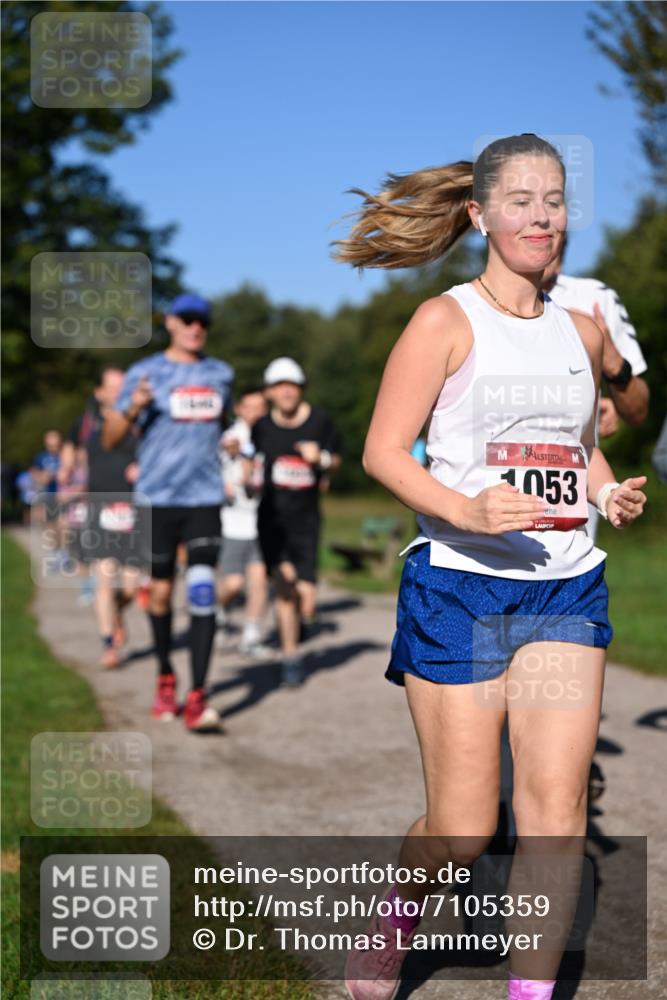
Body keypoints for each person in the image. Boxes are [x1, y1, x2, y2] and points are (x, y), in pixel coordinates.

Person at [333, 134, 647, 1000]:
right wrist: (464, 508)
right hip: (459, 588)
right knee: (464, 830)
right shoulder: (443, 320)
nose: (540, 216)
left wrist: (607, 491)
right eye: (519, 200)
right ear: (479, 215)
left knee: (553, 818)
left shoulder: (580, 332)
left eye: (553, 200)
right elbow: (383, 453)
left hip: (563, 586)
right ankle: (400, 909)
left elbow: (575, 450)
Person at [102, 293, 234, 732]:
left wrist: (233, 442)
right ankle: (164, 673)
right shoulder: (145, 372)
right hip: (157, 499)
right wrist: (135, 406)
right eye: (188, 319)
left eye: (204, 321)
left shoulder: (220, 374)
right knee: (159, 596)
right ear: (170, 322)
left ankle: (198, 694)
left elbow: (226, 425)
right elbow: (111, 438)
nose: (197, 327)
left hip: (204, 499)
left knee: (201, 592)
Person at [542, 242, 649, 538]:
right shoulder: (469, 305)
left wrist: (611, 363)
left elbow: (638, 411)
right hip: (486, 527)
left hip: (574, 516)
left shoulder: (595, 299)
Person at [251, 357, 342, 687]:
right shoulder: (261, 427)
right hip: (272, 521)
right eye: (280, 386)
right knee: (285, 588)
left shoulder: (319, 421)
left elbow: (337, 461)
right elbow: (249, 461)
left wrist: (323, 459)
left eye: (293, 385)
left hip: (307, 520)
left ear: (301, 389)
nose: (287, 392)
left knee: (307, 597)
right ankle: (291, 657)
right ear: (270, 392)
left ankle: (298, 627)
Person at [60, 368, 141, 668]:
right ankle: (108, 644)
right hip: (98, 505)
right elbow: (71, 447)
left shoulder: (138, 423)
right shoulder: (85, 424)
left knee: (131, 587)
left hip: (134, 508)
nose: (120, 392)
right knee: (104, 577)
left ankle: (117, 613)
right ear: (100, 392)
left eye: (124, 386)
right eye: (114, 387)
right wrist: (67, 469)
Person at [217, 385, 271, 658]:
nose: (255, 413)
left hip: (262, 520)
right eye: (249, 408)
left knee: (259, 580)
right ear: (238, 409)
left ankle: (251, 635)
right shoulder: (228, 437)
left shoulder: (268, 435)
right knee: (234, 583)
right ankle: (219, 610)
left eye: (260, 408)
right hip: (234, 521)